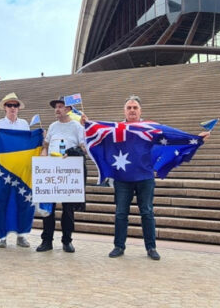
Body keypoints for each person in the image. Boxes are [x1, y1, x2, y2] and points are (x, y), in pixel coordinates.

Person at [88, 96, 210, 261]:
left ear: (140, 111)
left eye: (135, 108)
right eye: (129, 107)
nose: (132, 110)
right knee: (121, 213)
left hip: (144, 176)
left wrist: (196, 138)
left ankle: (151, 247)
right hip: (122, 178)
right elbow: (97, 136)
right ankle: (118, 246)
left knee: (147, 212)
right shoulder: (116, 129)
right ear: (124, 111)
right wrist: (86, 124)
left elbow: (172, 136)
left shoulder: (149, 128)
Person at [36, 96, 87, 253]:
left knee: (68, 209)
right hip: (52, 169)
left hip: (69, 171)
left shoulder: (77, 127)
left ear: (68, 109)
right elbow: (46, 145)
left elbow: (84, 148)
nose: (57, 109)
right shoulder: (52, 126)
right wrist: (43, 153)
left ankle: (67, 240)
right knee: (48, 207)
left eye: (60, 106)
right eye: (56, 107)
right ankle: (47, 240)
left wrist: (73, 152)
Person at [0, 92, 31, 248]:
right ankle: (2, 236)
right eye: (10, 105)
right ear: (5, 108)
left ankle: (22, 235)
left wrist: (40, 138)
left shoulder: (24, 124)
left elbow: (29, 145)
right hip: (4, 171)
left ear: (18, 108)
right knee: (1, 201)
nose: (13, 108)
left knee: (24, 202)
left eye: (15, 105)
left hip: (21, 171)